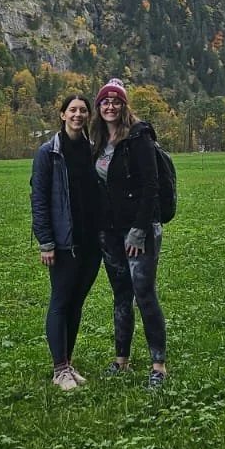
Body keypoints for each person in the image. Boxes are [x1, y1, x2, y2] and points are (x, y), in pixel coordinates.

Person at [91, 77, 168, 387]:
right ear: (99, 107)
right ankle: (121, 360)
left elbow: (152, 186)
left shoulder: (138, 137)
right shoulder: (97, 140)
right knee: (121, 296)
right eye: (105, 102)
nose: (110, 106)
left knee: (144, 294)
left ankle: (158, 366)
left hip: (140, 231)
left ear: (124, 106)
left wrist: (138, 229)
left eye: (116, 101)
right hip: (109, 231)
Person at [30, 93, 103, 391]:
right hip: (63, 242)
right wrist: (45, 242)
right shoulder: (48, 153)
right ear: (62, 115)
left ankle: (68, 364)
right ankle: (59, 369)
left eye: (83, 111)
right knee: (61, 301)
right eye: (72, 110)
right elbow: (39, 200)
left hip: (91, 242)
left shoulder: (92, 151)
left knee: (76, 303)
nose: (78, 115)